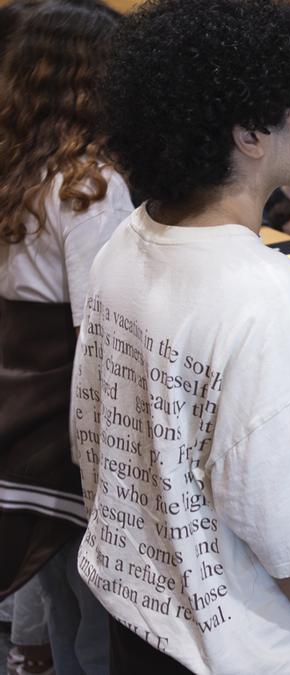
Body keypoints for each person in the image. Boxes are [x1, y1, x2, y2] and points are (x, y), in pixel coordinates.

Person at [82, 1, 290, 672]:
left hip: (138, 615)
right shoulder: (264, 297)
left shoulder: (125, 242)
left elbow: (94, 433)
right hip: (242, 650)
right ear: (251, 133)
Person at [0, 3, 126, 672]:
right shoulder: (89, 185)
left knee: (62, 606)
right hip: (73, 439)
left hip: (20, 427)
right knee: (102, 626)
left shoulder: (18, 167)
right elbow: (98, 335)